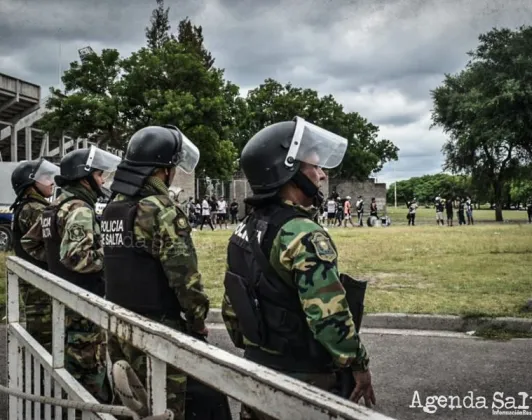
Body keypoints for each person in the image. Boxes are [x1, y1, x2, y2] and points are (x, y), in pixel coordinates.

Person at [221, 116, 375, 420]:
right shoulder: (303, 232)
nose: (321, 175)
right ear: (289, 171)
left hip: (257, 369)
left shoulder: (245, 228)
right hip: (302, 378)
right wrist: (358, 364)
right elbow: (328, 315)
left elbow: (232, 306)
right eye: (315, 167)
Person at [101, 125, 231, 420]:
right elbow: (185, 277)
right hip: (159, 330)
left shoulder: (114, 208)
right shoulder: (160, 209)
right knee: (165, 409)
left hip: (119, 325)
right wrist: (197, 321)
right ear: (162, 171)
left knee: (130, 405)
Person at [22, 146, 121, 404]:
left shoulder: (54, 207)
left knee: (67, 373)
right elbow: (76, 257)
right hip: (82, 308)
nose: (103, 181)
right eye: (100, 175)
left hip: (62, 300)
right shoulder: (80, 210)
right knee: (89, 383)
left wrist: (55, 263)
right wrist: (112, 257)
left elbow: (30, 243)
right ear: (84, 176)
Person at [11, 158, 59, 351]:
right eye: (46, 177)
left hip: (33, 285)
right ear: (31, 182)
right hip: (39, 288)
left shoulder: (25, 206)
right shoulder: (34, 209)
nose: (52, 181)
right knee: (45, 342)